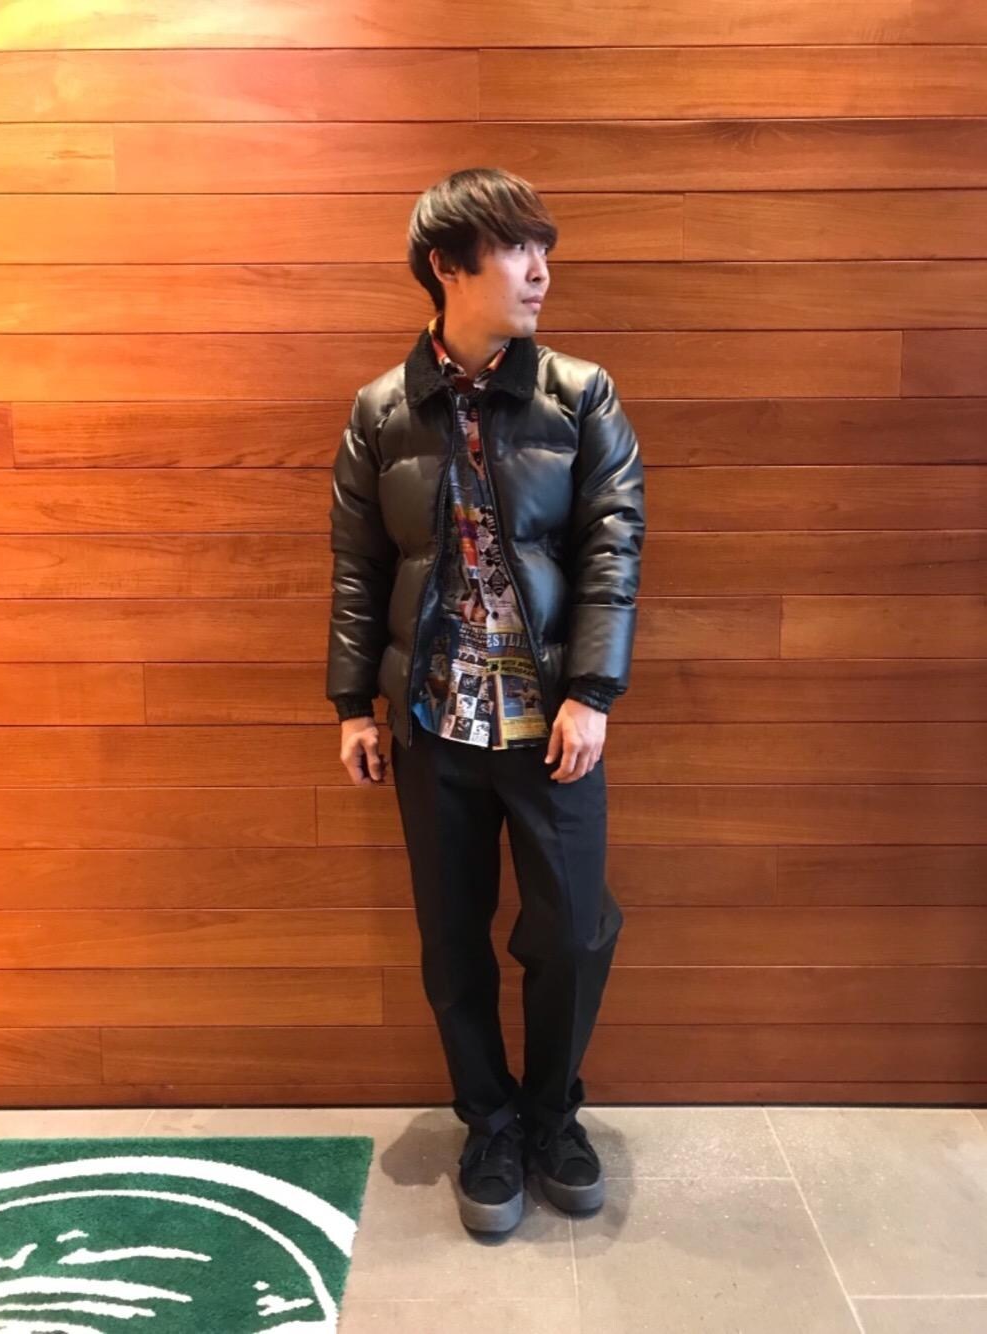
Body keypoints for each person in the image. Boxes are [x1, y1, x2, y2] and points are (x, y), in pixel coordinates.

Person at [326, 167, 646, 1235]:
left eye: (543, 248)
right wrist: (353, 704)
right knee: (452, 940)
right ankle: (490, 1122)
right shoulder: (381, 410)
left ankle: (553, 1114)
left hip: (552, 727)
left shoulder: (580, 394)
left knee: (574, 931)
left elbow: (612, 549)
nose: (540, 270)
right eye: (516, 249)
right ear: (446, 266)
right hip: (433, 726)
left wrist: (592, 690)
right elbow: (359, 567)